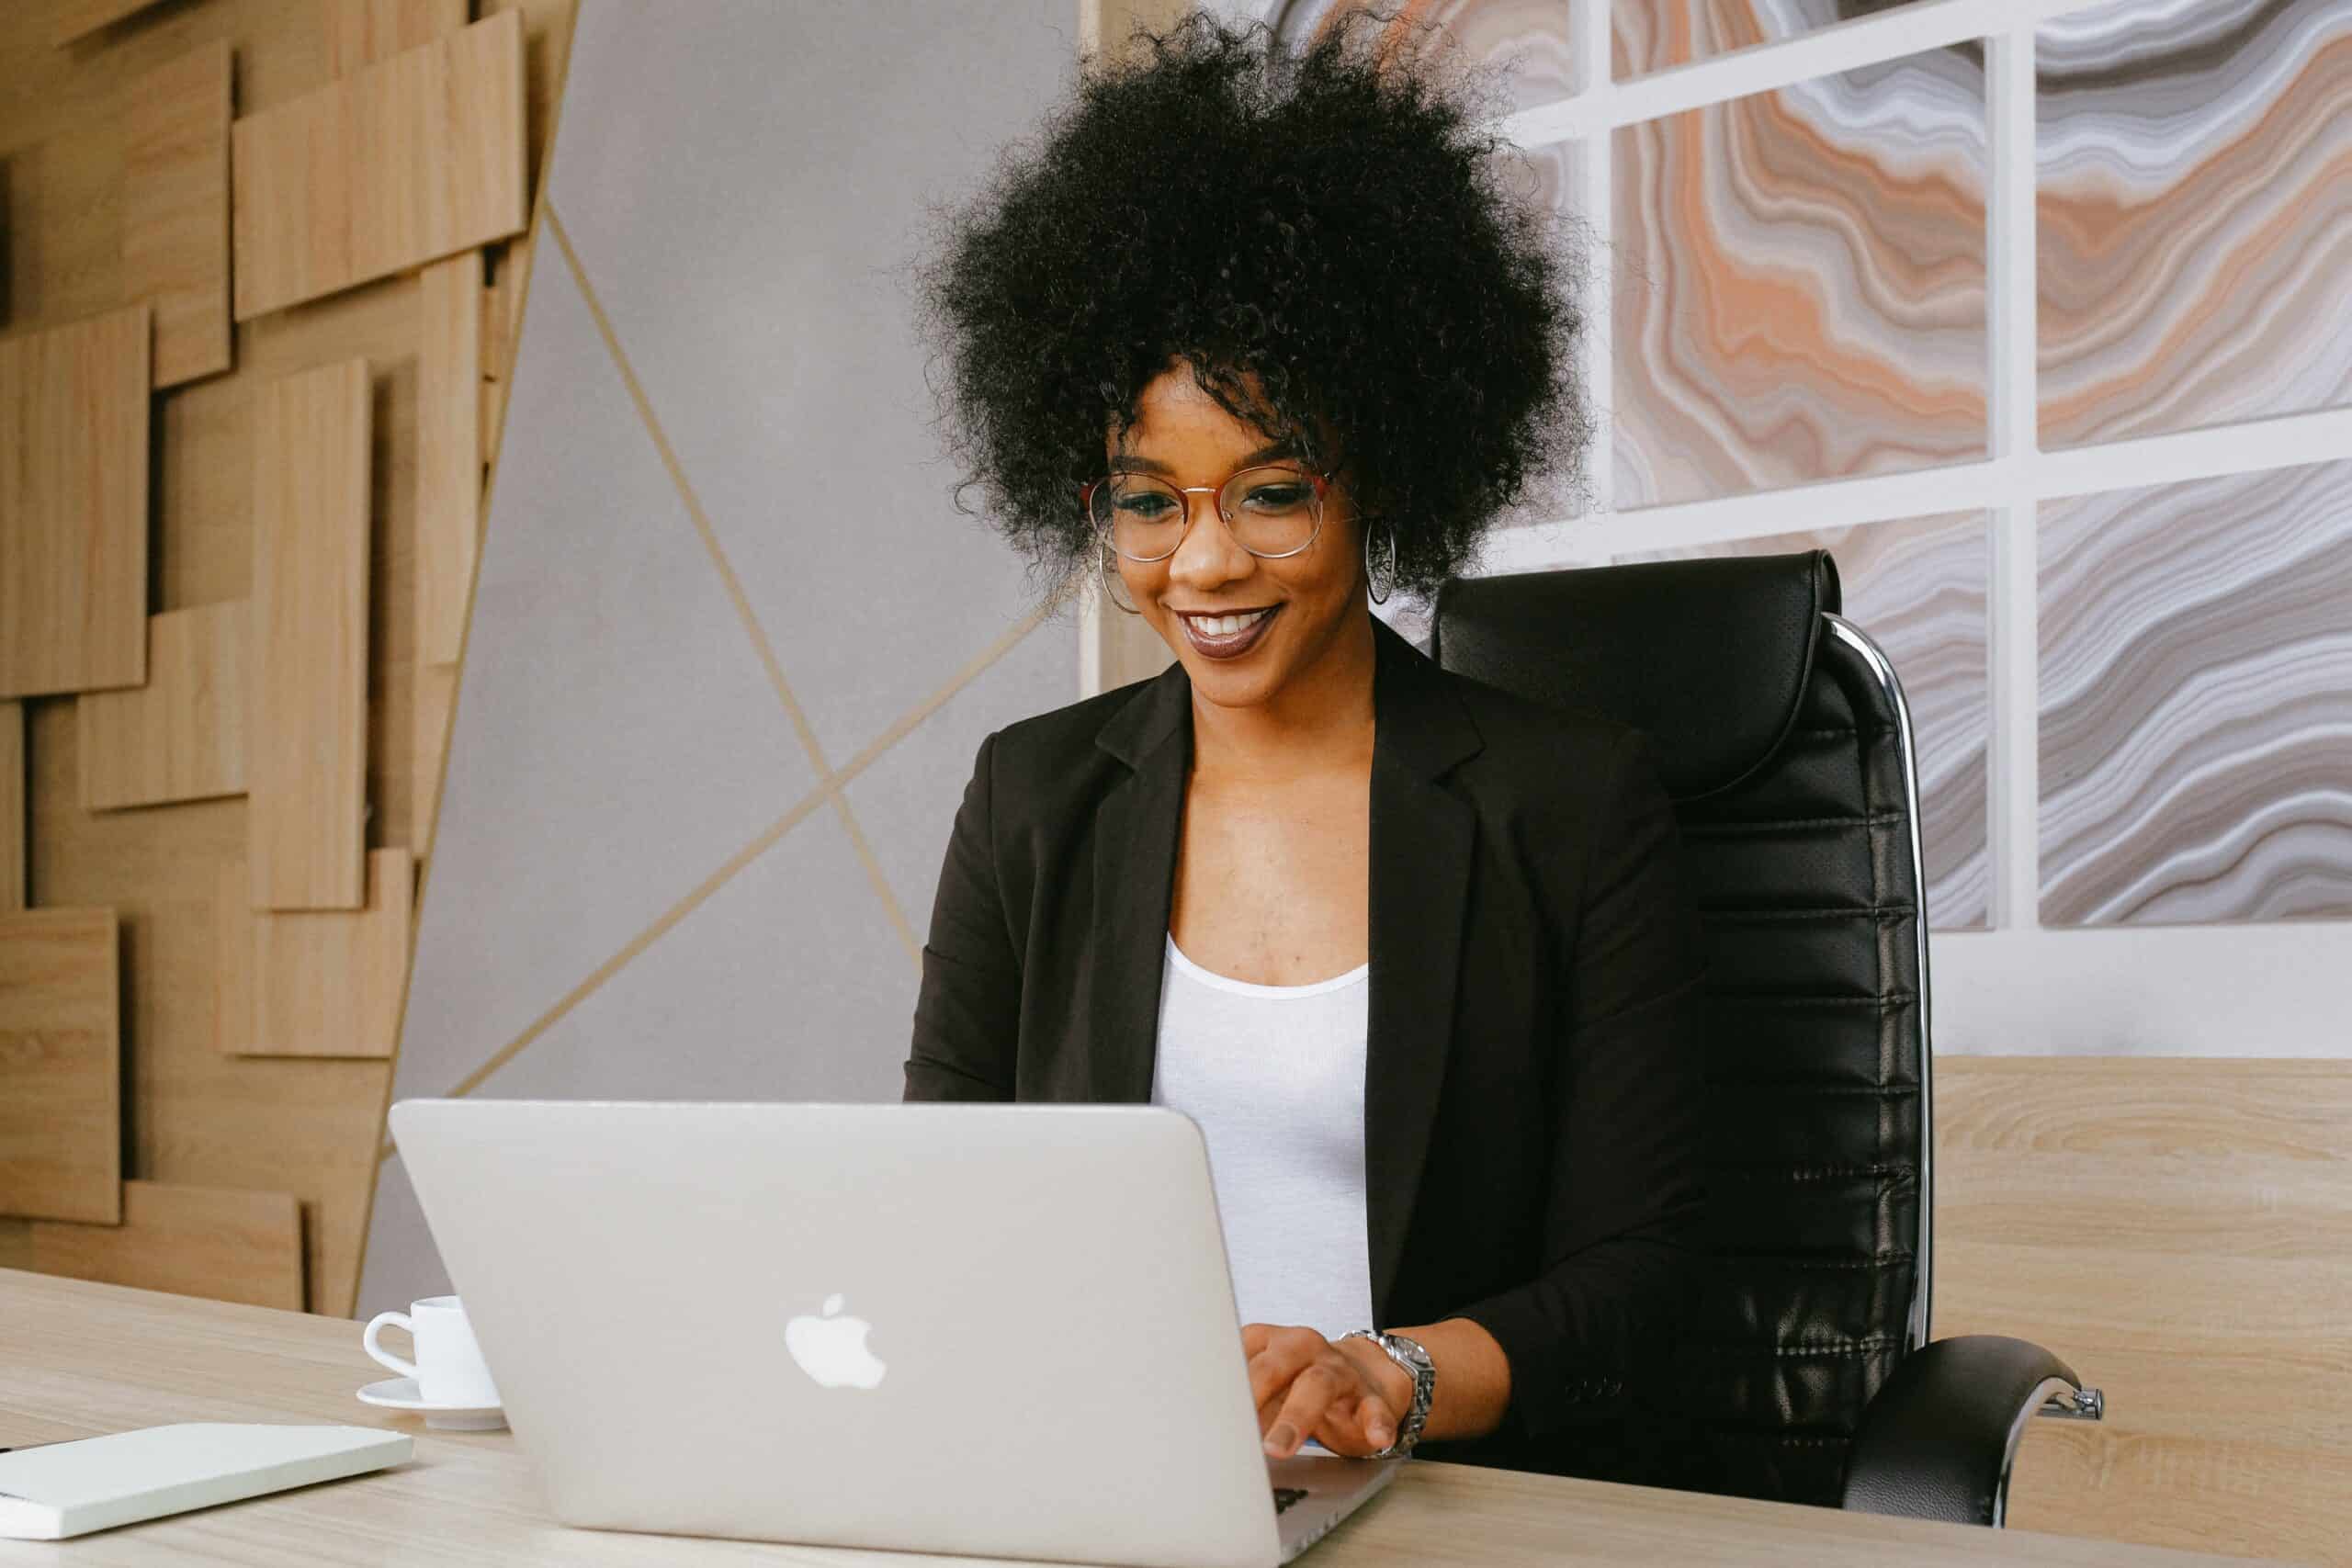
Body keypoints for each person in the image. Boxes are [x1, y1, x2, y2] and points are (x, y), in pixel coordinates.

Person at [899, 7, 1708, 1484]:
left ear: (1379, 475)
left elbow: (1645, 1279)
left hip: (1449, 1495)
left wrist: (1385, 1374)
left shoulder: (1569, 806)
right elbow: (949, 1193)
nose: (1202, 565)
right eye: (1151, 504)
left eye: (1270, 493)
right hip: (1113, 1481)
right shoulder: (1037, 795)